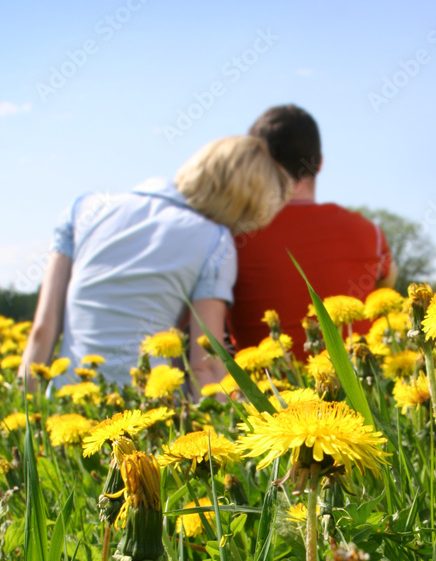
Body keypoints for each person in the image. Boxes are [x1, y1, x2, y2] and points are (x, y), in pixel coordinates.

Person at [19, 136, 291, 396]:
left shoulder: (82, 209)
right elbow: (204, 364)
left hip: (67, 403)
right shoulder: (215, 241)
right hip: (148, 409)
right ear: (240, 208)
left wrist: (22, 416)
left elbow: (43, 329)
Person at [227, 105, 398, 357]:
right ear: (319, 163)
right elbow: (386, 289)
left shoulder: (231, 237)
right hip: (360, 390)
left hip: (262, 392)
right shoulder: (370, 233)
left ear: (256, 165)